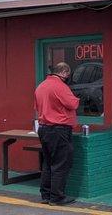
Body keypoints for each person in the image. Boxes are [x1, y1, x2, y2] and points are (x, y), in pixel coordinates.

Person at [34, 62, 80, 206]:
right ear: (64, 72)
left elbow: (37, 107)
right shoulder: (60, 86)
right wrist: (77, 98)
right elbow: (73, 104)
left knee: (48, 163)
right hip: (59, 129)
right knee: (61, 164)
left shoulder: (41, 86)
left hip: (44, 128)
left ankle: (46, 195)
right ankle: (57, 197)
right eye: (68, 74)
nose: (68, 77)